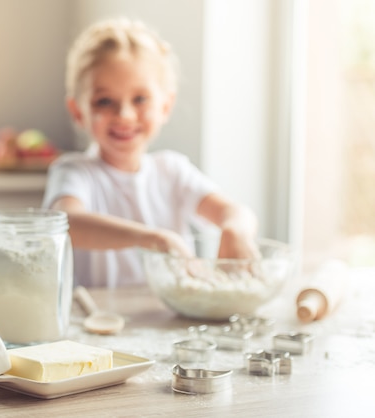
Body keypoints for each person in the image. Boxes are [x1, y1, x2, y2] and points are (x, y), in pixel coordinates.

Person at [42, 18, 259, 288]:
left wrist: (235, 229)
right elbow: (67, 224)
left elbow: (236, 212)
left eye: (140, 99)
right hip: (97, 321)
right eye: (105, 101)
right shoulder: (74, 171)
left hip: (170, 321)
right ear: (78, 111)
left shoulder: (172, 171)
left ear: (165, 106)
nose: (125, 115)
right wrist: (152, 239)